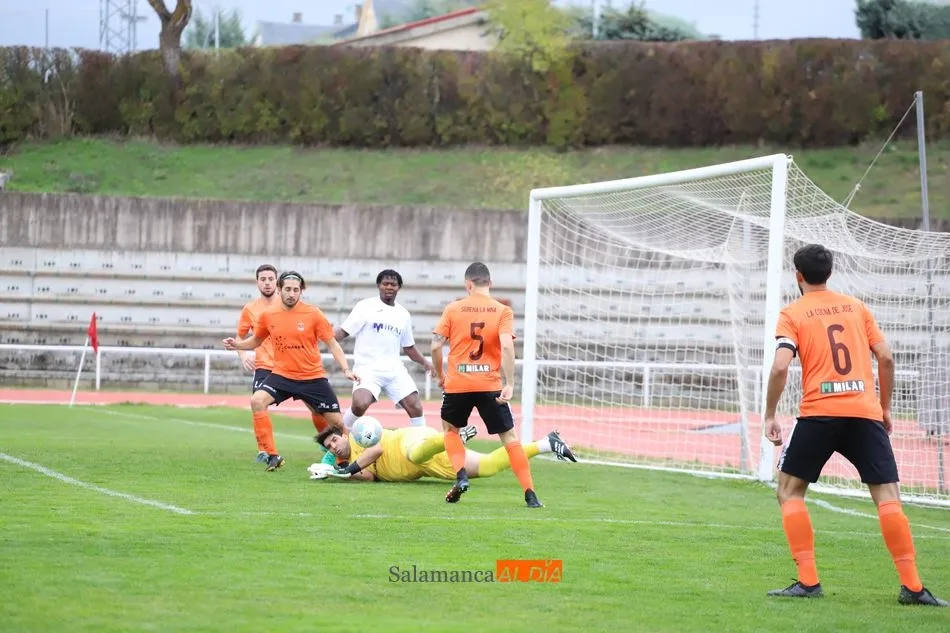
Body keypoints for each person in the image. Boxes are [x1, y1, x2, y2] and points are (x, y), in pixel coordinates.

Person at [763, 244, 946, 606]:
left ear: (798, 276)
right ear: (830, 273)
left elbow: (781, 367)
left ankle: (809, 582)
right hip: (864, 411)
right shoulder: (856, 307)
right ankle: (912, 587)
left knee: (789, 491)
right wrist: (885, 408)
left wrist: (769, 414)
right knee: (888, 498)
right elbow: (887, 357)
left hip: (819, 412)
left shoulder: (792, 313)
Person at [223, 271, 358, 472]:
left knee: (338, 423)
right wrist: (239, 345)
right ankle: (272, 455)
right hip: (282, 375)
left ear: (301, 291)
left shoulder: (313, 313)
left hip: (312, 377)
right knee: (257, 401)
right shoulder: (268, 315)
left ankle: (346, 461)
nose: (291, 294)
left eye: (296, 290)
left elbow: (332, 343)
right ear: (279, 290)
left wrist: (346, 369)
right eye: (287, 289)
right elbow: (257, 340)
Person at [431, 261, 541, 507]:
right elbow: (508, 345)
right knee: (510, 438)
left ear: (467, 285)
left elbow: (436, 345)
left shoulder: (453, 308)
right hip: (490, 385)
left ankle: (460, 475)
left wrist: (440, 376)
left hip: (458, 384)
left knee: (450, 430)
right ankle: (530, 493)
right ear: (490, 283)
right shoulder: (502, 311)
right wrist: (510, 382)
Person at [334, 269, 434, 430]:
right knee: (360, 404)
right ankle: (341, 435)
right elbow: (343, 331)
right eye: (385, 284)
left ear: (399, 287)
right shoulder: (365, 306)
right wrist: (322, 338)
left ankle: (421, 441)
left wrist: (425, 363)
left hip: (394, 370)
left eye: (393, 284)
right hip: (367, 368)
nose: (389, 287)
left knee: (415, 406)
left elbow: (409, 347)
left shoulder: (403, 315)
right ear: (378, 286)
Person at [314, 425, 575, 483]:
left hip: (412, 440)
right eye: (330, 447)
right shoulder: (353, 464)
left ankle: (451, 437)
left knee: (415, 454)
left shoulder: (362, 434)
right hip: (429, 465)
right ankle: (546, 444)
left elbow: (379, 448)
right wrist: (339, 474)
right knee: (487, 467)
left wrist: (345, 469)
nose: (334, 446)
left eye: (335, 439)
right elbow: (369, 477)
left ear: (345, 434)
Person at [235, 264, 280, 464]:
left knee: (314, 405)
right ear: (257, 282)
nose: (267, 283)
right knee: (257, 404)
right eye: (263, 279)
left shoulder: (288, 305)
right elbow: (240, 336)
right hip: (263, 365)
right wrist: (243, 354)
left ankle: (330, 445)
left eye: (271, 279)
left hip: (290, 365)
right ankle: (264, 449)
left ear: (277, 282)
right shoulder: (250, 308)